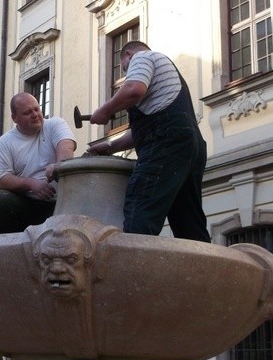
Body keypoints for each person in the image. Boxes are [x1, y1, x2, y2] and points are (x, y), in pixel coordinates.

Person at [86, 41, 210, 243]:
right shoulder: (165, 79)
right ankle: (205, 270)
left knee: (139, 211)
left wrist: (105, 110)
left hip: (166, 143)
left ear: (127, 54)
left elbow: (134, 89)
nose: (128, 70)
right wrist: (110, 147)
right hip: (188, 146)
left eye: (124, 67)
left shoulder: (142, 57)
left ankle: (134, 270)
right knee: (189, 224)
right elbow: (141, 132)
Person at [0, 92, 76, 233]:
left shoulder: (55, 124)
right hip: (27, 205)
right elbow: (2, 180)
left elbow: (66, 145)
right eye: (27, 112)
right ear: (15, 118)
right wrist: (32, 184)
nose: (35, 114)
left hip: (60, 202)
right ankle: (13, 246)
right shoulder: (4, 143)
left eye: (37, 109)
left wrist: (59, 165)